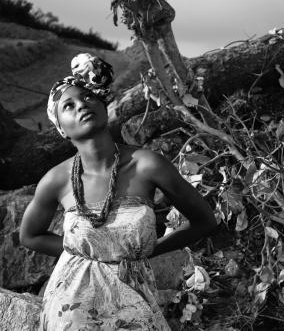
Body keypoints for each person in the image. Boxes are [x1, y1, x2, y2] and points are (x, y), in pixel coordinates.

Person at [19, 53, 218, 330]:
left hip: (134, 298)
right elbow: (29, 236)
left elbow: (205, 221)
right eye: (68, 105)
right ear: (61, 128)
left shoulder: (147, 165)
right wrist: (79, 251)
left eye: (88, 97)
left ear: (103, 105)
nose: (81, 105)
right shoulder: (56, 180)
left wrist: (149, 250)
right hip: (70, 307)